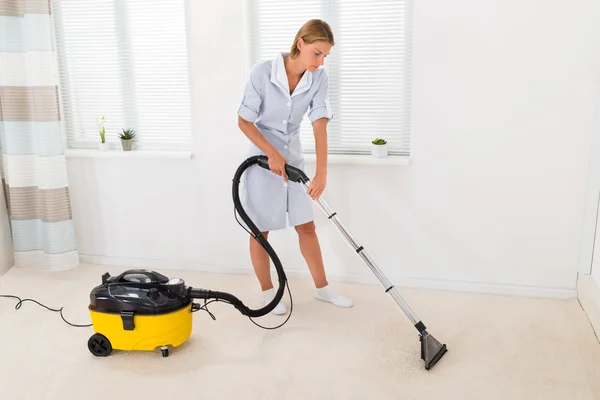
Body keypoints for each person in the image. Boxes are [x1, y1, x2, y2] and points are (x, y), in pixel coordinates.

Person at [237, 19, 353, 315]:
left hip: (294, 156)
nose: (321, 60)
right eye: (317, 53)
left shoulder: (318, 77)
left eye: (325, 55)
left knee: (306, 226)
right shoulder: (263, 72)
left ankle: (323, 289)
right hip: (261, 159)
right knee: (260, 230)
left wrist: (322, 172)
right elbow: (244, 121)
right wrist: (271, 154)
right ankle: (267, 294)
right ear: (300, 43)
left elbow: (319, 125)